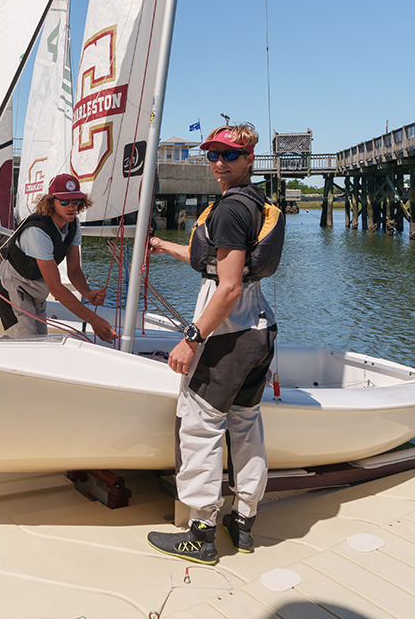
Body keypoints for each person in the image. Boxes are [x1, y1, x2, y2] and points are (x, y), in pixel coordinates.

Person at [145, 123, 282, 565]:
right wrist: (166, 245)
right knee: (245, 424)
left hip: (229, 335)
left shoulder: (228, 210)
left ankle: (200, 532)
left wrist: (191, 337)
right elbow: (220, 264)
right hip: (260, 332)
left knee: (200, 425)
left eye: (229, 155)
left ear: (249, 159)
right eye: (212, 155)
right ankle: (243, 523)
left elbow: (227, 289)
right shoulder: (255, 203)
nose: (219, 163)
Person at [0, 173, 116, 343]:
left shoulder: (73, 225)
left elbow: (73, 270)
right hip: (13, 286)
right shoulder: (37, 231)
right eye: (65, 201)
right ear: (51, 202)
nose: (71, 206)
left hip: (37, 292)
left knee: (41, 343)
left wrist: (87, 293)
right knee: (28, 344)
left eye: (76, 201)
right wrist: (94, 320)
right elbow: (56, 288)